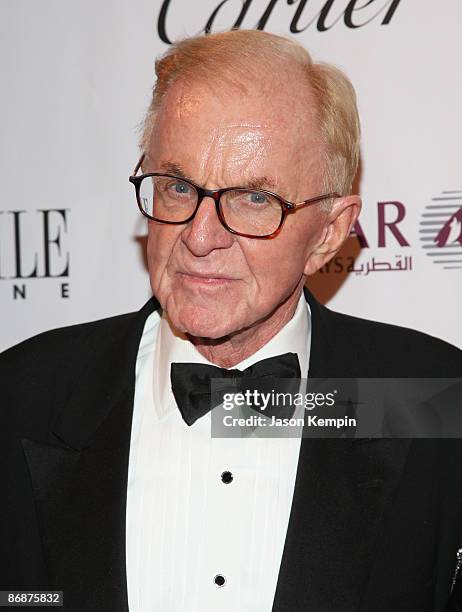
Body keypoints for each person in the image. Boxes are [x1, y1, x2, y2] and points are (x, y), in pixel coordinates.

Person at [1, 29, 462, 612]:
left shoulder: (435, 401)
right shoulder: (21, 395)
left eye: (253, 199)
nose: (198, 236)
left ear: (327, 235)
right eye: (177, 187)